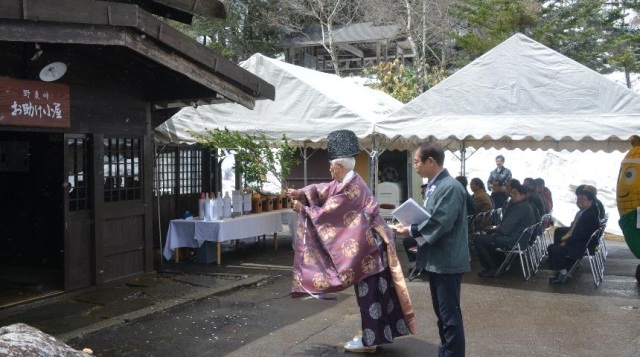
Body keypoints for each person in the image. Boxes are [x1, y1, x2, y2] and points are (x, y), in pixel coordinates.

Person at [287, 129, 416, 353]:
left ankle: (370, 341)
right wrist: (301, 193)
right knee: (372, 294)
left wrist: (304, 210)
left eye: (330, 166)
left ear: (339, 166)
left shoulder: (352, 187)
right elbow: (324, 189)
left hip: (371, 249)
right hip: (367, 247)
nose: (329, 169)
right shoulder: (345, 181)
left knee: (371, 295)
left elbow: (330, 213)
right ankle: (374, 336)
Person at [394, 141, 470, 357]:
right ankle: (445, 351)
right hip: (438, 260)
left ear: (431, 161)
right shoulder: (437, 185)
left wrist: (411, 229)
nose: (415, 166)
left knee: (450, 316)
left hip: (447, 260)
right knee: (443, 314)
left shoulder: (451, 187)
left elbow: (441, 222)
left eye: (417, 161)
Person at [474, 181, 537, 278]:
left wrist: (495, 232)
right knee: (488, 238)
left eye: (515, 194)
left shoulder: (521, 208)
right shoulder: (526, 206)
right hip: (520, 239)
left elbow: (505, 228)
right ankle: (500, 264)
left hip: (513, 240)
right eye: (512, 193)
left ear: (524, 195)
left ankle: (492, 268)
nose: (512, 195)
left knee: (479, 240)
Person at [547, 185, 601, 284]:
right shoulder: (583, 212)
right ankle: (562, 270)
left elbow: (580, 236)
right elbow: (577, 232)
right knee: (554, 244)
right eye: (578, 199)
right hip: (581, 242)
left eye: (583, 199)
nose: (580, 201)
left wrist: (565, 242)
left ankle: (563, 274)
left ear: (590, 202)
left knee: (554, 248)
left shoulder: (589, 216)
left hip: (584, 246)